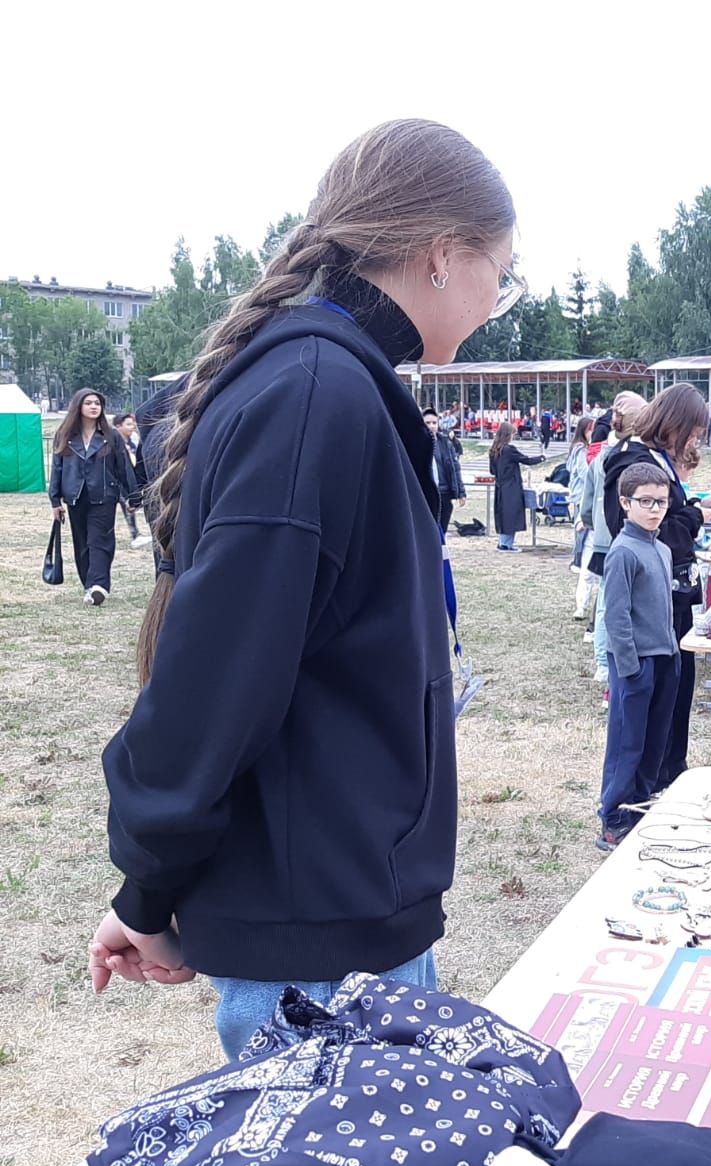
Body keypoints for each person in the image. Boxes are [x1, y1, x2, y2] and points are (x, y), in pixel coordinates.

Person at [89, 119, 519, 1059]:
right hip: (320, 955)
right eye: (503, 270)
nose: (500, 297)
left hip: (342, 920)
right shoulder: (314, 392)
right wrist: (147, 891)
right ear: (443, 256)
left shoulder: (329, 383)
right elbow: (213, 685)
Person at [604, 384, 711, 783]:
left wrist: (692, 510)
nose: (694, 441)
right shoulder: (632, 462)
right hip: (653, 603)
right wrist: (695, 519)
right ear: (673, 423)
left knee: (679, 688)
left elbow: (669, 523)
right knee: (654, 700)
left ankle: (672, 769)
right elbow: (642, 534)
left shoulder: (656, 459)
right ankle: (645, 783)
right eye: (692, 432)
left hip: (677, 593)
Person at [595, 462, 680, 851]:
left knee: (655, 740)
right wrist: (629, 667)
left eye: (661, 501)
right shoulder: (623, 552)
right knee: (627, 741)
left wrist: (673, 654)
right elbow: (616, 614)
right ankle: (613, 816)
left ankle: (641, 806)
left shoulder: (660, 549)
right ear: (625, 502)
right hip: (635, 663)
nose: (654, 509)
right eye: (645, 501)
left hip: (665, 658)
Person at [49, 388, 138, 604]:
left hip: (105, 496)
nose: (93, 406)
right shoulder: (64, 435)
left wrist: (133, 497)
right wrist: (55, 500)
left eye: (97, 403)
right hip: (75, 497)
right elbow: (57, 469)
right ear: (78, 406)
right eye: (88, 403)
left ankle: (99, 585)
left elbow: (124, 467)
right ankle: (89, 585)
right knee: (82, 544)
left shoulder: (111, 436)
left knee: (100, 540)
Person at [584, 393, 648, 680]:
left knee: (606, 601)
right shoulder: (628, 457)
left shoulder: (599, 456)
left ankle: (603, 661)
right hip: (617, 538)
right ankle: (605, 661)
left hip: (600, 537)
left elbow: (586, 504)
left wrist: (592, 525)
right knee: (612, 604)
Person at [489, 420, 543, 551]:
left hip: (500, 487)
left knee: (503, 514)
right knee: (511, 515)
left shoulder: (494, 450)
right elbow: (527, 460)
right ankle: (507, 545)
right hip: (511, 487)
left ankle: (503, 542)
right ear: (508, 435)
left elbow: (492, 470)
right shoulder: (509, 449)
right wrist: (541, 458)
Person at [423, 406, 466, 534]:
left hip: (444, 492)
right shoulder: (416, 444)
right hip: (426, 493)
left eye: (434, 423)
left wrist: (461, 492)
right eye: (428, 423)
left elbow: (455, 468)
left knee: (442, 529)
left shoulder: (445, 443)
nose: (431, 426)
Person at [113, 412, 153, 548]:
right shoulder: (114, 442)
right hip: (117, 482)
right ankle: (135, 535)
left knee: (129, 506)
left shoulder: (133, 441)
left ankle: (135, 534)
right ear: (118, 426)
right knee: (127, 505)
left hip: (129, 481)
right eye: (128, 424)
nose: (133, 427)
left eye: (133, 424)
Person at [565, 415, 596, 574]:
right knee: (581, 528)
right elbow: (583, 472)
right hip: (581, 494)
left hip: (580, 493)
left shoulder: (578, 447)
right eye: (591, 429)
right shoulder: (581, 449)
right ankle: (577, 560)